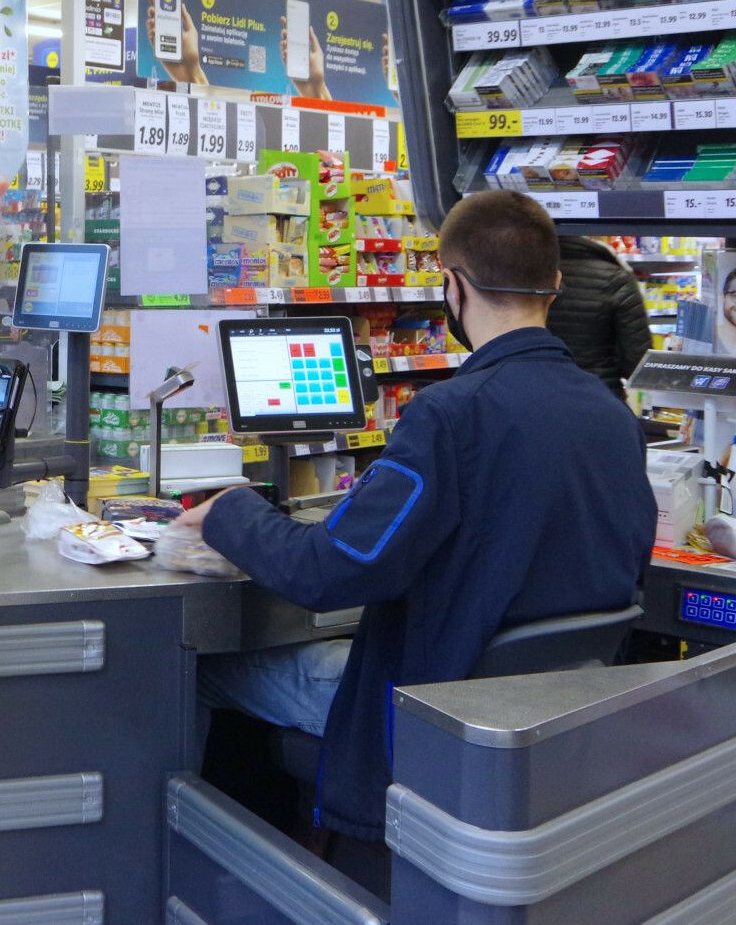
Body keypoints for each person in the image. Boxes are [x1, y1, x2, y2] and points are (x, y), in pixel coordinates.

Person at [178, 190, 654, 855]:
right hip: (545, 721)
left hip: (427, 707)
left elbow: (327, 572)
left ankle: (209, 880)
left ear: (451, 288)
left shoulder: (450, 416)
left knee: (196, 669)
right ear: (555, 285)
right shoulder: (615, 419)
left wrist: (227, 510)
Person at [546, 235, 654, 397]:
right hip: (601, 396)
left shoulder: (527, 276)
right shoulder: (616, 278)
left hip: (539, 396)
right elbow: (638, 363)